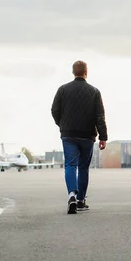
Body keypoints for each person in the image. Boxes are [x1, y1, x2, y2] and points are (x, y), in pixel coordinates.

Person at [51, 60, 108, 214]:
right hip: (87, 135)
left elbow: (55, 110)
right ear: (86, 72)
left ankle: (71, 195)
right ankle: (81, 200)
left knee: (70, 165)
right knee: (83, 168)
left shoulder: (62, 90)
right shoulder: (94, 92)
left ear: (73, 72)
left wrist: (62, 125)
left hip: (68, 134)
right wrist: (103, 137)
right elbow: (100, 116)